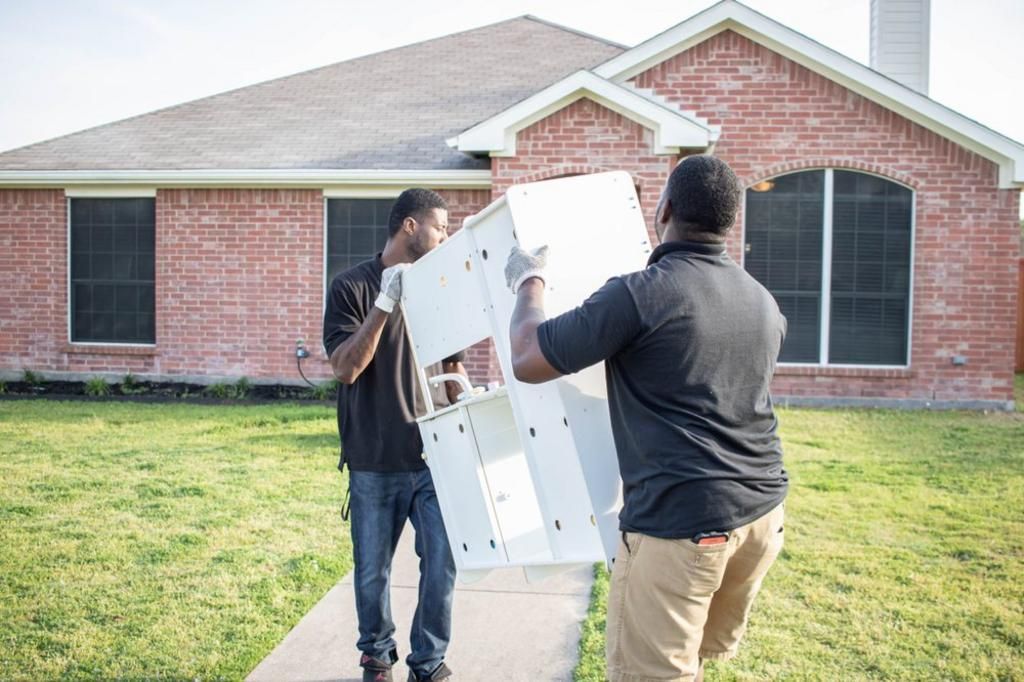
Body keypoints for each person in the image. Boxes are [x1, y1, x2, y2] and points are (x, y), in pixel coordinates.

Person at [504, 156, 789, 682]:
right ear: (729, 221)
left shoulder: (640, 293)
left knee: (651, 673)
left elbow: (527, 358)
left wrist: (529, 281)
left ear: (664, 208)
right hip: (762, 516)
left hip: (684, 525)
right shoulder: (763, 302)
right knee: (687, 657)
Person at [323, 188, 464, 682]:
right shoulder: (350, 287)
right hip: (374, 457)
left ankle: (427, 662)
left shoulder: (439, 286)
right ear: (409, 226)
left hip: (434, 457)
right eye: (440, 226)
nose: (446, 236)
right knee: (372, 572)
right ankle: (378, 656)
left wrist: (462, 399)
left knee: (443, 563)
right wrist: (384, 303)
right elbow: (345, 368)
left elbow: (453, 368)